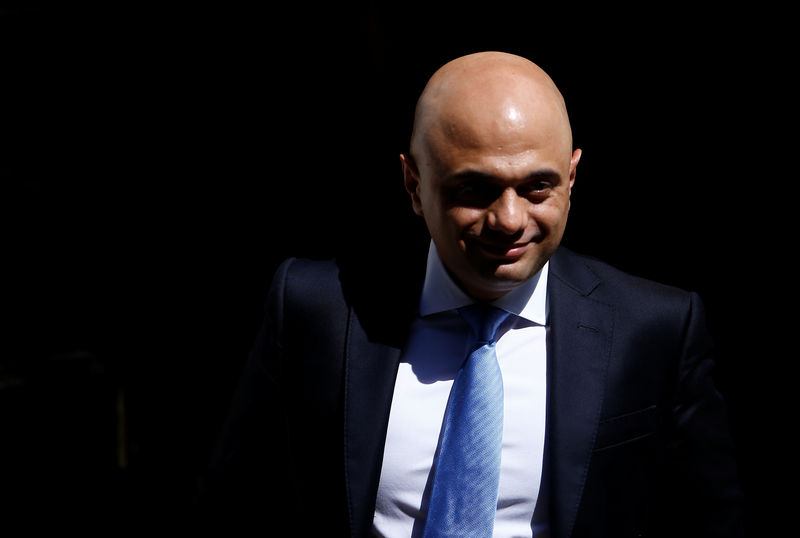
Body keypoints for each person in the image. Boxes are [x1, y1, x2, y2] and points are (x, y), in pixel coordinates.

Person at [197, 51, 744, 537]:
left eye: (537, 187)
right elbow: (238, 503)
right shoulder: (318, 308)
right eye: (475, 189)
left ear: (573, 178)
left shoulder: (654, 329)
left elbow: (709, 518)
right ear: (414, 186)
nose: (509, 220)